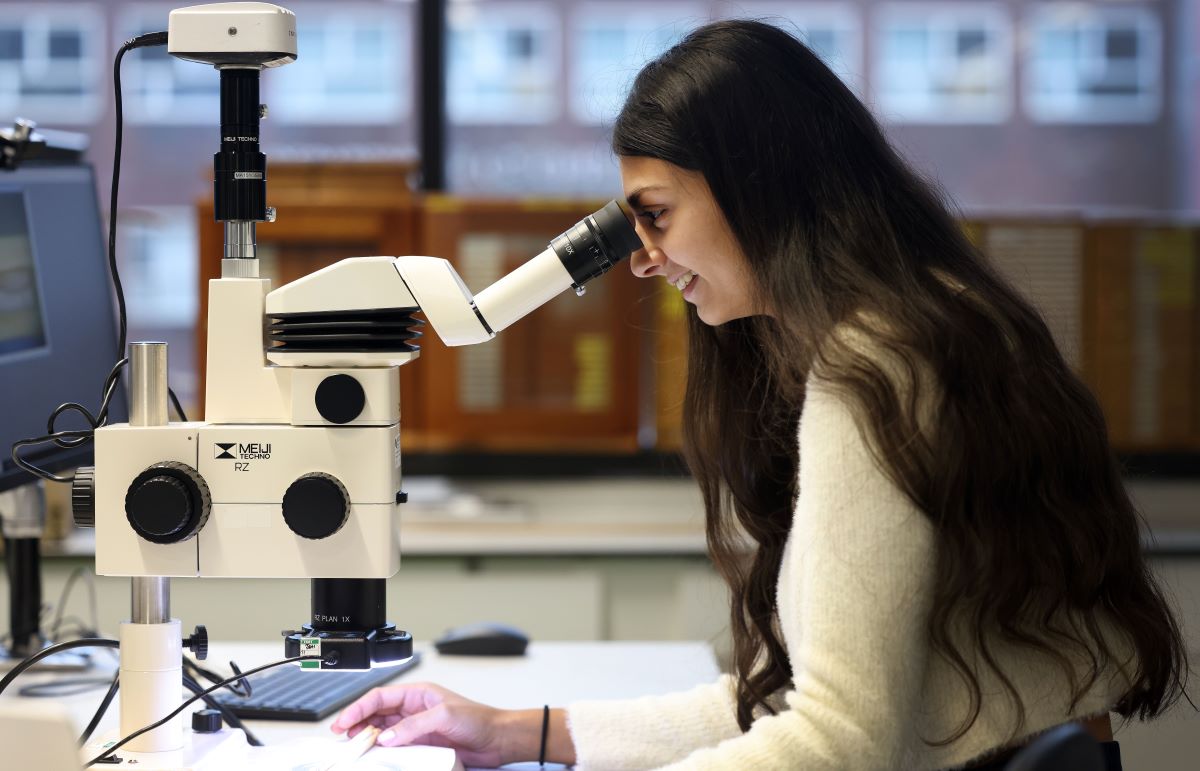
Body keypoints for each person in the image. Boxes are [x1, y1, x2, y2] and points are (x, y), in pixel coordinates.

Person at [331, 19, 1188, 770]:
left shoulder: (878, 365)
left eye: (656, 215)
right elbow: (793, 703)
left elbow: (838, 741)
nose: (642, 258)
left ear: (754, 183)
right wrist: (516, 731)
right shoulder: (931, 323)